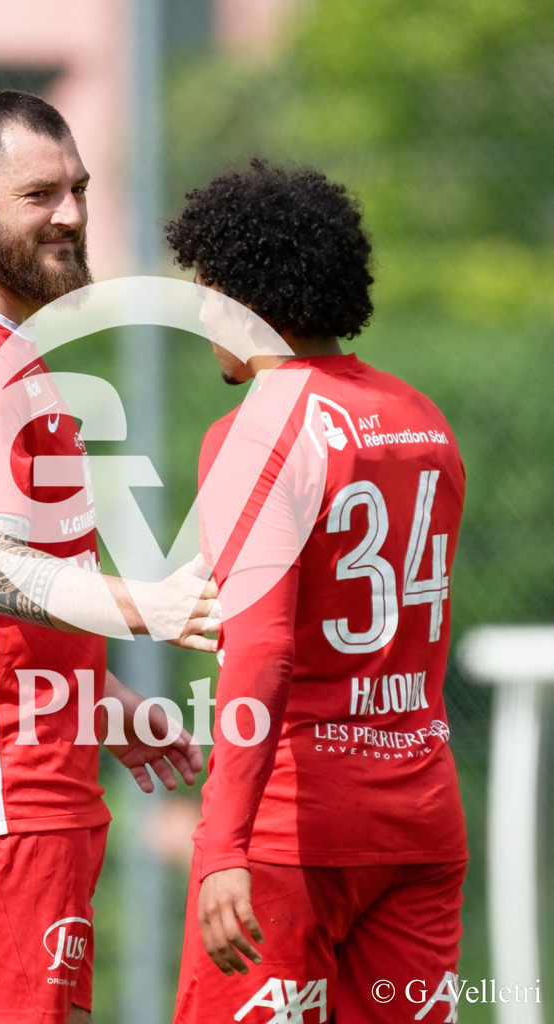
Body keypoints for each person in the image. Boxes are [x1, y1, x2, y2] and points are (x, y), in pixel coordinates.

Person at [0, 89, 217, 1024]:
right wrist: (150, 606)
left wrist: (100, 698)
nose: (69, 215)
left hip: (13, 778)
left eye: (78, 189)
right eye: (38, 195)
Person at [165, 160, 468, 1024]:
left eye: (204, 291)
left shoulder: (256, 433)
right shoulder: (422, 420)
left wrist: (223, 845)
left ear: (242, 298)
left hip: (295, 831)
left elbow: (262, 649)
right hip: (420, 819)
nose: (199, 314)